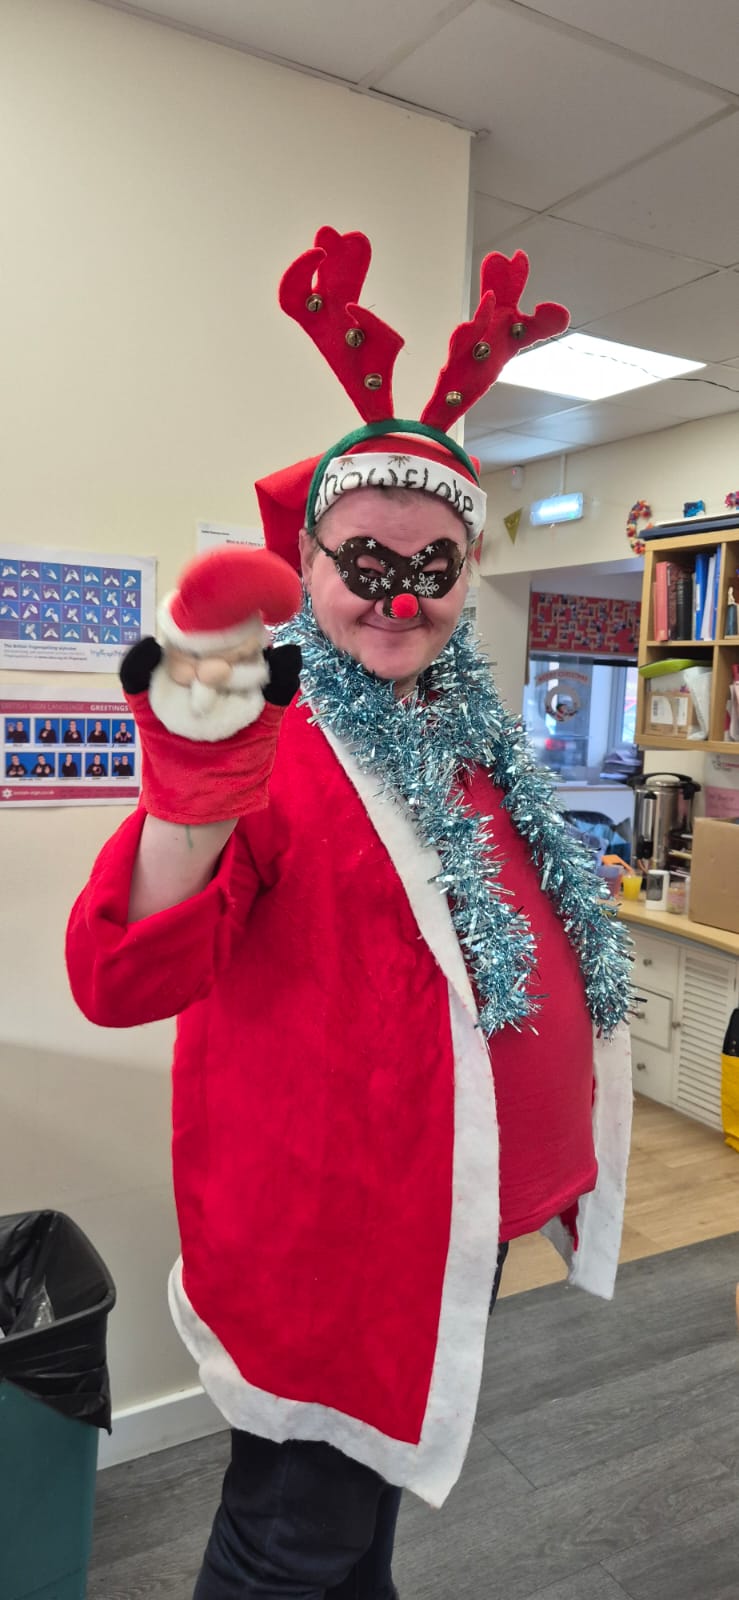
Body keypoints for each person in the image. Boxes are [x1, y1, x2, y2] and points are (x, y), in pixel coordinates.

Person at [66, 228, 632, 1600]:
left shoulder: (469, 739)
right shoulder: (276, 739)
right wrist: (194, 788)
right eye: (367, 559)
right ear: (308, 561)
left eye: (437, 566)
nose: (402, 595)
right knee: (291, 1543)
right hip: (335, 1244)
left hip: (458, 1212)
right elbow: (122, 977)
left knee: (358, 1529)